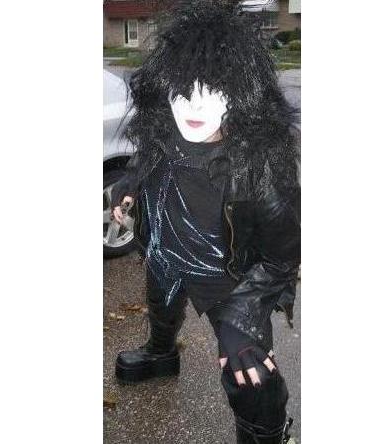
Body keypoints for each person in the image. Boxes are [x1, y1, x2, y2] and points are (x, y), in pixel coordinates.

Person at [110, 2, 300, 442]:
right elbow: (147, 163)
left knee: (250, 372)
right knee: (161, 308)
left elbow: (282, 257)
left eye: (212, 90)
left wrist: (243, 318)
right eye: (183, 89)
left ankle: (268, 434)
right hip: (165, 254)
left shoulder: (261, 165)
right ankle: (161, 354)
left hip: (227, 279)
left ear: (239, 93)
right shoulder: (163, 133)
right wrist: (128, 186)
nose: (195, 104)